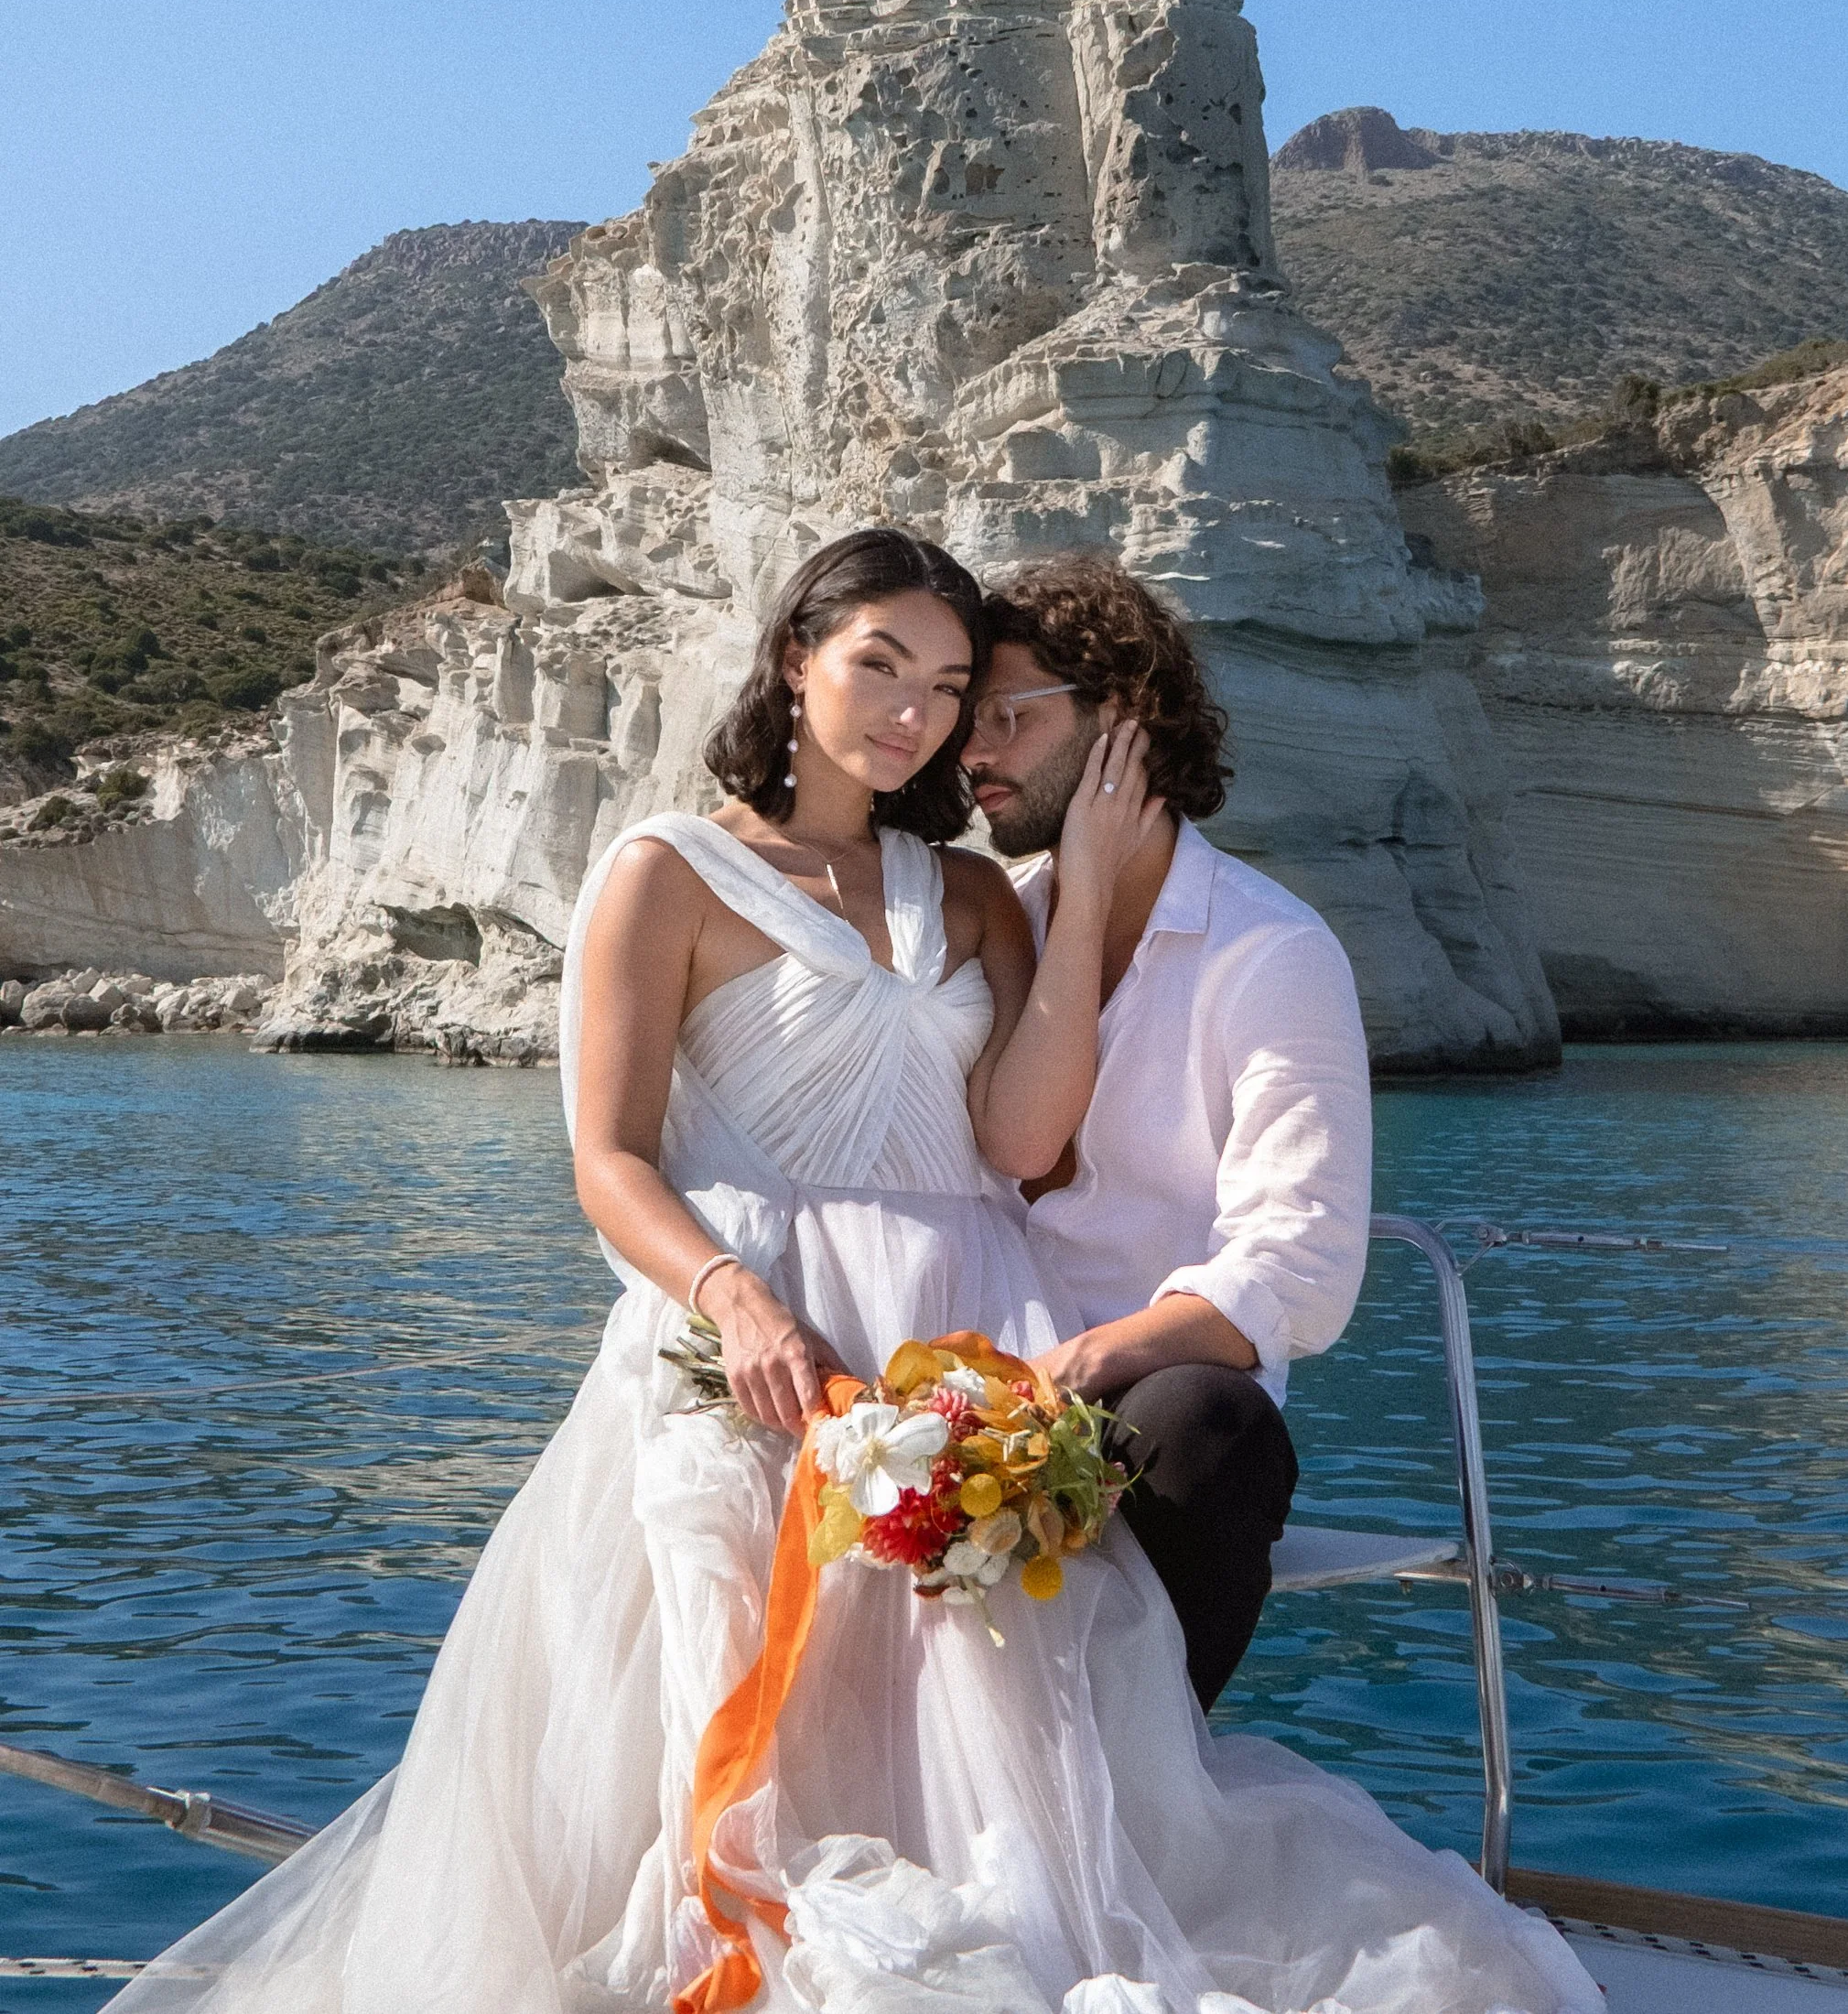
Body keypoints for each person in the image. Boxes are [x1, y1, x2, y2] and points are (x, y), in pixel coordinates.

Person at [113, 526, 1596, 2014]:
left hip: (963, 1325)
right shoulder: (665, 871)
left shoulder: (970, 897)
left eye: (952, 687)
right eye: (879, 664)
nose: (917, 712)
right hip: (763, 1318)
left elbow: (1020, 1144)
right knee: (728, 1692)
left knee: (991, 1730)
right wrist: (734, 1299)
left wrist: (1070, 900)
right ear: (790, 659)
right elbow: (609, 1158)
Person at [960, 554, 1373, 1711]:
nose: (973, 753)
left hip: (1138, 1407)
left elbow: (1304, 1271)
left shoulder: (1270, 954)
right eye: (966, 720)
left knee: (1206, 1426)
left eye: (1009, 714)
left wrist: (1082, 1365)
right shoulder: (996, 928)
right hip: (978, 1375)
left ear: (1123, 721)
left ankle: (1143, 1796)